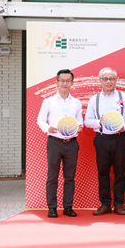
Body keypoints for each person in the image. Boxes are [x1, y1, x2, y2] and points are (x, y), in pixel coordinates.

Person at [85, 67, 125, 216]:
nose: (108, 81)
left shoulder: (124, 96)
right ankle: (105, 204)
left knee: (120, 172)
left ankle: (119, 204)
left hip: (120, 138)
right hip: (101, 139)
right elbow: (87, 121)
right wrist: (99, 123)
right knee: (103, 172)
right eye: (105, 79)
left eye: (111, 78)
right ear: (100, 80)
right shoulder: (94, 99)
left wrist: (123, 126)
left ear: (116, 80)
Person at [36, 69, 84, 218]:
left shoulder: (76, 102)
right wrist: (47, 128)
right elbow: (40, 120)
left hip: (71, 143)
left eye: (68, 80)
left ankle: (68, 207)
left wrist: (80, 126)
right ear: (57, 82)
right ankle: (52, 208)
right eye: (62, 80)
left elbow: (80, 121)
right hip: (54, 142)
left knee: (70, 177)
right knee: (52, 177)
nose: (65, 83)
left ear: (72, 83)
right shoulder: (48, 101)